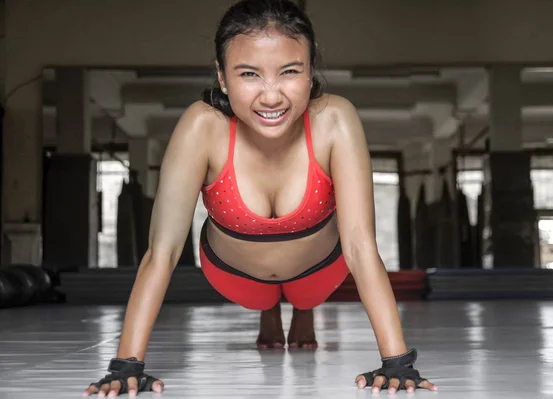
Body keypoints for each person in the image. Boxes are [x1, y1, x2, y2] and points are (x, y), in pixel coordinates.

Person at [84, 0, 438, 396]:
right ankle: (270, 310)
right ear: (222, 76)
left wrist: (397, 363)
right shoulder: (202, 125)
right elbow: (161, 252)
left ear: (310, 72)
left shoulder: (334, 119)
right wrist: (124, 365)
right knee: (262, 295)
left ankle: (301, 310)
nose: (271, 97)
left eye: (290, 72)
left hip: (319, 273)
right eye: (249, 74)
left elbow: (359, 245)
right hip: (235, 277)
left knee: (307, 286)